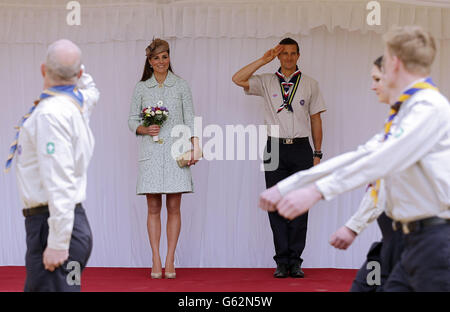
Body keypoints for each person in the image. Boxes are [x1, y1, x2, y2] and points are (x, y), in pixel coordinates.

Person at [259, 25, 450, 291]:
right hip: (404, 239)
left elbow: (379, 161)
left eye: (379, 72)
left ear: (394, 62)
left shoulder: (428, 108)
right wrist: (288, 186)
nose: (373, 84)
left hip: (432, 241)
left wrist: (315, 191)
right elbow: (362, 155)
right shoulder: (407, 111)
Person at [5, 39, 99, 291]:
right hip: (66, 223)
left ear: (43, 69)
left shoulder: (51, 114)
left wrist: (58, 241)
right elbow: (92, 90)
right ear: (78, 74)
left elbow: (59, 181)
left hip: (53, 225)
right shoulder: (77, 103)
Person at [232, 38, 326, 278]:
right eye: (284, 54)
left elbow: (316, 119)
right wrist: (264, 60)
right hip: (274, 147)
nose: (288, 58)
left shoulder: (310, 84)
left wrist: (317, 153)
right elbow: (237, 79)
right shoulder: (265, 81)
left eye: (293, 53)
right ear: (278, 56)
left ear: (298, 56)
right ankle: (281, 262)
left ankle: (295, 261)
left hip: (302, 148)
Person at [329, 56, 404, 292]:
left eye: (377, 79)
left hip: (417, 244)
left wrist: (352, 227)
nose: (372, 86)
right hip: (393, 241)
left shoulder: (414, 121)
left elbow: (383, 185)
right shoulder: (396, 119)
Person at [128, 38, 201, 279]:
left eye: (165, 56)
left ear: (170, 58)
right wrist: (143, 129)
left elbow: (190, 117)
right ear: (149, 62)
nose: (161, 61)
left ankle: (170, 257)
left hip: (175, 152)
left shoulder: (181, 85)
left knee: (174, 206)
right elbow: (131, 120)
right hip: (151, 153)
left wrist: (195, 147)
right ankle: (155, 258)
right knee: (152, 207)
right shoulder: (141, 88)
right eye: (157, 57)